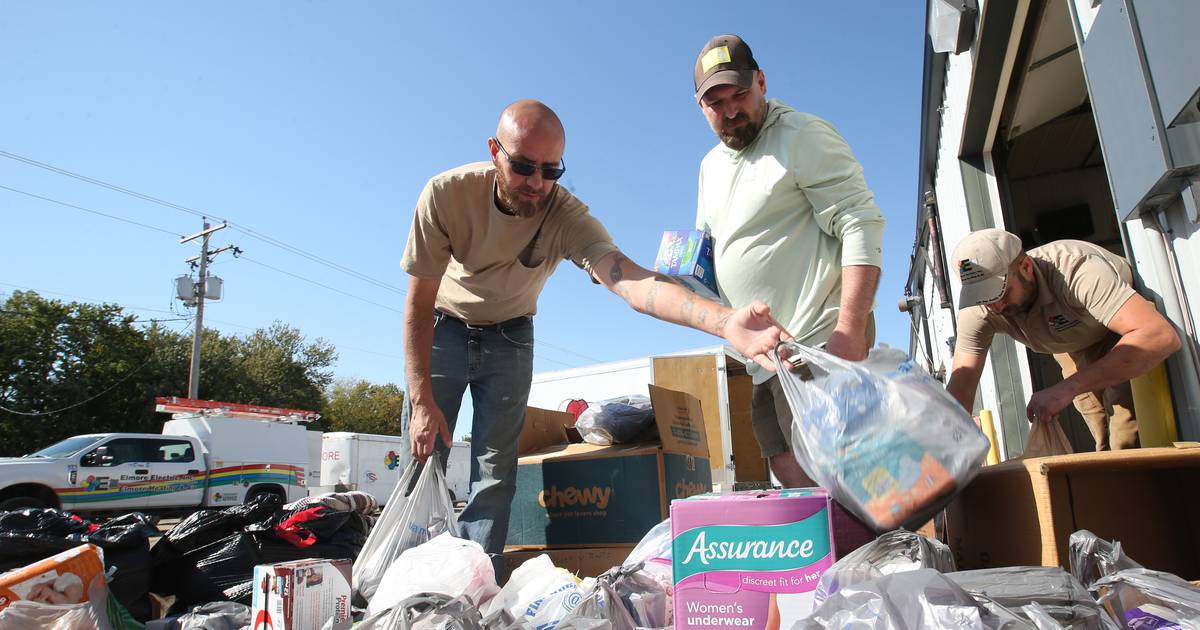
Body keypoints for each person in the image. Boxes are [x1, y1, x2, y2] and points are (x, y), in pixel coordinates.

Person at [400, 99, 790, 573]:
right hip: (444, 328)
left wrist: (724, 321)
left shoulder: (563, 215)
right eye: (523, 166)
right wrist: (421, 400)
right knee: (423, 460)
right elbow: (418, 306)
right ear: (494, 151)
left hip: (511, 338)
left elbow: (632, 280)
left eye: (551, 170)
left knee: (495, 469)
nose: (536, 184)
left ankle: (474, 582)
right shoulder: (446, 195)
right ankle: (405, 581)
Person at [690, 35, 886, 487]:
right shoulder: (709, 167)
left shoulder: (801, 135)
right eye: (716, 102)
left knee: (840, 481)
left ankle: (873, 557)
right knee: (788, 468)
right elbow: (709, 249)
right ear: (700, 106)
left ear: (761, 81)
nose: (731, 109)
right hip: (762, 360)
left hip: (815, 344)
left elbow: (861, 225)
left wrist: (850, 330)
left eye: (740, 94)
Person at [944, 228, 1181, 450]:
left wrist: (1068, 388)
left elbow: (1159, 336)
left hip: (1119, 334)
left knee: (1125, 435)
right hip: (1068, 344)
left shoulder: (1077, 270)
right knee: (1101, 435)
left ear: (1026, 267)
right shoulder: (980, 309)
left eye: (1001, 293)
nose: (995, 307)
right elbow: (961, 388)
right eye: (983, 298)